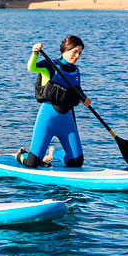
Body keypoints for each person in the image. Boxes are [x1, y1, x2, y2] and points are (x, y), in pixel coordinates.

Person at [16, 35, 91, 169]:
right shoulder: (50, 65)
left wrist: (84, 98)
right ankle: (21, 154)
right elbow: (31, 67)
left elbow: (77, 89)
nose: (77, 56)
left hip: (67, 120)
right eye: (75, 51)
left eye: (80, 53)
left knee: (76, 162)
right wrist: (34, 53)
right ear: (65, 50)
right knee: (32, 163)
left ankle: (54, 153)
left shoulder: (76, 71)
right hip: (47, 120)